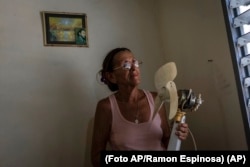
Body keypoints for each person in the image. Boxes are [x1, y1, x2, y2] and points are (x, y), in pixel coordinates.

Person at [91, 47, 189, 167]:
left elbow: (167, 139)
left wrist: (177, 135)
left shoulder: (156, 98)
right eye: (126, 65)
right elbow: (96, 158)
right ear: (111, 77)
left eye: (135, 62)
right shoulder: (106, 107)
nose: (134, 68)